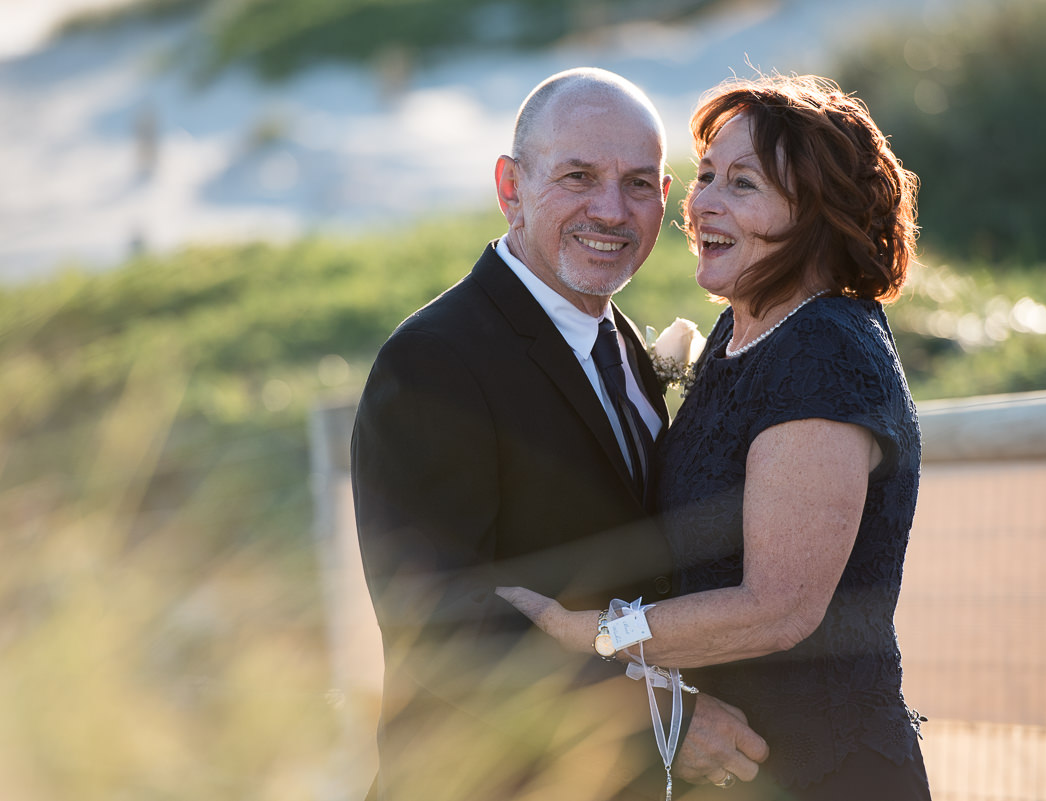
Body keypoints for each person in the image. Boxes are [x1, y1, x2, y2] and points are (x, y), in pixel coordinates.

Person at [498, 73, 931, 800]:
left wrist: (598, 636)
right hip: (738, 766)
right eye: (704, 177)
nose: (700, 205)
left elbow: (780, 606)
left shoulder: (824, 350)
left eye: (742, 184)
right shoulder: (745, 323)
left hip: (823, 768)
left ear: (817, 216)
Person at [351, 67, 768, 801]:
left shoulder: (627, 349)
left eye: (638, 184)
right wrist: (660, 720)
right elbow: (440, 620)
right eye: (578, 176)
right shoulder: (433, 362)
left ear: (664, 201)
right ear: (510, 186)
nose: (611, 210)